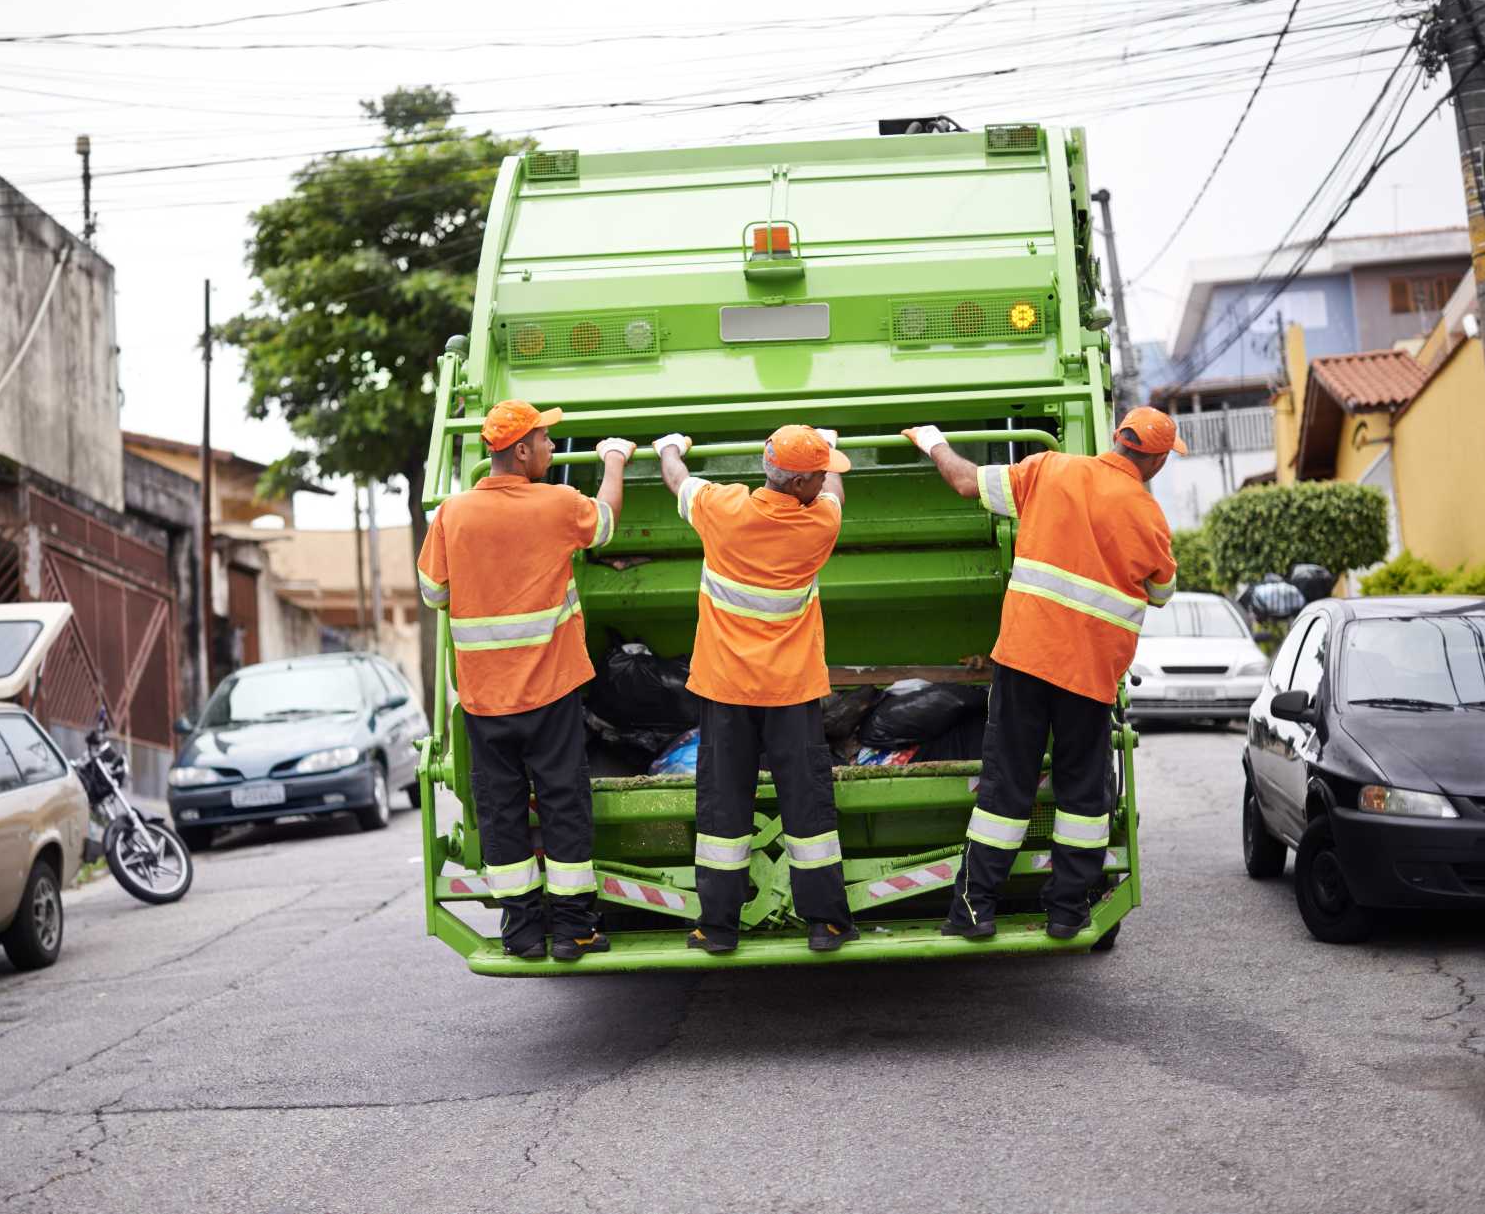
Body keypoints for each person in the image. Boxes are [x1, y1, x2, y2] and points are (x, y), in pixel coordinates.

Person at [901, 407, 1181, 940]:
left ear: (1119, 439)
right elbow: (1162, 593)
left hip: (1025, 661)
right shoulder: (1150, 517)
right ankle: (1067, 912)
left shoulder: (1049, 469)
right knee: (1082, 798)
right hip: (1090, 677)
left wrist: (933, 440)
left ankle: (973, 910)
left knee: (1006, 786)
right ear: (1159, 459)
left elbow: (964, 482)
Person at [417, 400, 635, 961]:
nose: (552, 448)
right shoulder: (556, 504)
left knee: (502, 808)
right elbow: (605, 523)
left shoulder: (452, 513)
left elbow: (434, 594)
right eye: (544, 440)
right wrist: (613, 461)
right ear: (520, 450)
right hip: (551, 689)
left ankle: (520, 931)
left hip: (485, 697)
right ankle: (573, 929)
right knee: (563, 803)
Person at [653, 425, 861, 953]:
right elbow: (835, 492)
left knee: (722, 808)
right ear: (803, 485)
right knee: (807, 807)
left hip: (724, 689)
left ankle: (718, 927)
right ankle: (826, 923)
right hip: (790, 693)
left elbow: (677, 481)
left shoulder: (722, 510)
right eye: (818, 472)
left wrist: (669, 448)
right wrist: (830, 454)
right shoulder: (818, 526)